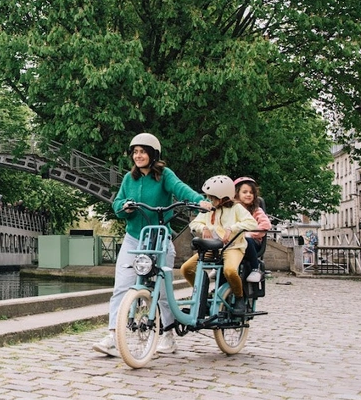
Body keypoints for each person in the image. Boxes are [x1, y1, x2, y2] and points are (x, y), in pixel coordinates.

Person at [93, 133, 210, 357]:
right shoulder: (129, 178)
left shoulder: (164, 175)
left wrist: (199, 202)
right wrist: (124, 206)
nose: (138, 156)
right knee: (122, 287)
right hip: (134, 238)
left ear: (153, 154)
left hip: (159, 238)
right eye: (135, 152)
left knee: (163, 290)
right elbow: (117, 203)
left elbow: (181, 189)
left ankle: (167, 335)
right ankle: (113, 337)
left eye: (142, 151)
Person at [181, 175, 258, 316]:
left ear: (223, 197)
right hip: (213, 247)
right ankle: (204, 297)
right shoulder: (210, 209)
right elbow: (194, 223)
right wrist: (203, 228)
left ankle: (239, 298)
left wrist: (232, 228)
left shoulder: (236, 208)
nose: (209, 201)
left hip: (233, 247)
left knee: (230, 271)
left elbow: (252, 223)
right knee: (186, 269)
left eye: (212, 198)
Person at [234, 176, 272, 283]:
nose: (248, 194)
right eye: (245, 192)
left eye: (251, 192)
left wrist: (250, 233)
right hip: (234, 242)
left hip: (251, 242)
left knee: (246, 239)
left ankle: (256, 268)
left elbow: (265, 225)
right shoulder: (233, 210)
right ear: (237, 194)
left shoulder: (256, 210)